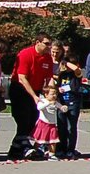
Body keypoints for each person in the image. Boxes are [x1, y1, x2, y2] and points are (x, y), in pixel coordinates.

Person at [7, 33, 55, 161]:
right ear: (37, 42)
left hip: (36, 89)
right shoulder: (25, 54)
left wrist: (52, 93)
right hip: (20, 89)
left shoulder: (47, 58)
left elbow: (49, 78)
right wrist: (34, 96)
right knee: (23, 120)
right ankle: (23, 147)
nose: (48, 46)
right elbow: (22, 78)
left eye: (50, 44)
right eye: (46, 43)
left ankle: (16, 149)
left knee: (33, 119)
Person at [51, 44, 84, 159]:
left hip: (73, 103)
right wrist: (58, 89)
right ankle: (61, 149)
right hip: (62, 103)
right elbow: (55, 84)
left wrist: (65, 61)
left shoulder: (76, 75)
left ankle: (71, 149)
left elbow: (77, 70)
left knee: (71, 127)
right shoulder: (62, 74)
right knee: (61, 127)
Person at [32, 83, 63, 159]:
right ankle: (34, 151)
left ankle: (51, 154)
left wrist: (64, 108)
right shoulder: (43, 101)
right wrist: (48, 103)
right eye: (52, 94)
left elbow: (62, 108)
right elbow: (39, 108)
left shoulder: (55, 103)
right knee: (40, 140)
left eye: (55, 94)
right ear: (46, 95)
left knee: (53, 140)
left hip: (52, 124)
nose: (54, 96)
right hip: (43, 123)